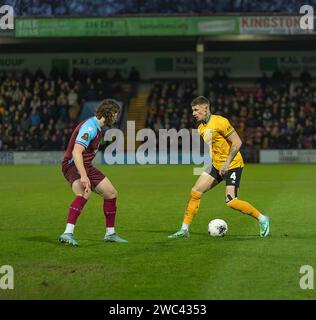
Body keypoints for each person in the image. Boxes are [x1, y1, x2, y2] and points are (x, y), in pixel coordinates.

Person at [168, 96, 270, 238]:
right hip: (217, 166)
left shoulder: (220, 122)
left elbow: (237, 142)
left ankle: (262, 219)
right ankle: (184, 229)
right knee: (195, 192)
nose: (193, 113)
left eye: (196, 110)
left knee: (231, 201)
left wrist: (227, 163)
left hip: (233, 164)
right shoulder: (201, 127)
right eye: (192, 110)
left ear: (206, 108)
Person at [59, 99, 128, 246]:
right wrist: (83, 176)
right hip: (72, 165)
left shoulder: (97, 128)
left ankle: (110, 234)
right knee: (84, 192)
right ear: (108, 113)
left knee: (111, 193)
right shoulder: (89, 128)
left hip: (86, 165)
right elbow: (77, 152)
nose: (117, 118)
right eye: (116, 114)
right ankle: (67, 233)